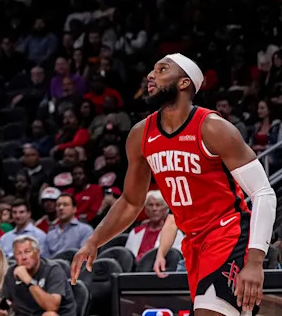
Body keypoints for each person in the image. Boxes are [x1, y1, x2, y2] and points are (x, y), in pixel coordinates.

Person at [72, 54, 276, 316]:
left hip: (227, 233)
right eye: (152, 70)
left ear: (183, 83)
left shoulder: (213, 128)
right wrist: (94, 241)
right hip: (192, 242)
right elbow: (132, 202)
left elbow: (263, 193)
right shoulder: (140, 135)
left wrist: (255, 261)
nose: (150, 75)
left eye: (162, 69)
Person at [3, 236, 75, 316]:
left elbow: (52, 307)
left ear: (38, 253)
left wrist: (28, 280)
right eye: (19, 253)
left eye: (27, 252)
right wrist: (0, 309)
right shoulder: (11, 272)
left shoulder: (53, 270)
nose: (24, 257)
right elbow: (4, 302)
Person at [124, 191, 183, 263]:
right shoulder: (135, 232)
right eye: (150, 205)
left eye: (158, 205)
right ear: (145, 209)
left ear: (166, 209)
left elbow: (176, 258)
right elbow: (127, 258)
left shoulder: (175, 233)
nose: (154, 209)